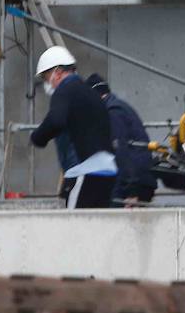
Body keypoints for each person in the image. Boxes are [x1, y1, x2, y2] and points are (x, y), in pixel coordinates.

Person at [29, 45, 118, 209]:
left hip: (84, 172)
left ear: (57, 72)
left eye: (46, 77)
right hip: (109, 172)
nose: (47, 82)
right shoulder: (91, 93)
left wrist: (37, 137)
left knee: (74, 227)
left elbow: (55, 120)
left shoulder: (64, 90)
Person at [84, 74, 157, 205]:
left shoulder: (112, 113)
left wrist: (131, 191)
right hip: (138, 179)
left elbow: (121, 152)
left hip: (131, 183)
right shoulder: (120, 107)